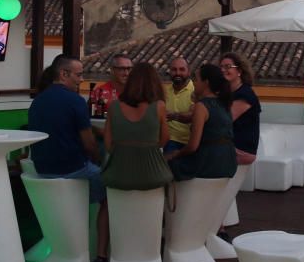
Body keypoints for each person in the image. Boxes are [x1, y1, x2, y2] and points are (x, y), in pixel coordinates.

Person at [28, 56, 108, 262]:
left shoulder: (38, 101)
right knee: (111, 192)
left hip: (42, 170)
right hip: (72, 169)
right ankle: (101, 256)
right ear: (63, 74)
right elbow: (89, 144)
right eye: (78, 74)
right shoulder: (75, 100)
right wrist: (99, 161)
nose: (81, 79)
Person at [101, 62, 173, 190]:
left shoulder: (114, 106)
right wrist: (147, 148)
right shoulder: (159, 106)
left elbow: (108, 144)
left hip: (118, 175)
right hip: (152, 176)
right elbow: (164, 138)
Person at [166, 64, 238, 181]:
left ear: (206, 82)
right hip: (228, 162)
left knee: (166, 165)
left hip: (209, 163)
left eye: (196, 79)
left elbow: (192, 146)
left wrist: (175, 154)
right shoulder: (224, 103)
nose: (193, 82)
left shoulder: (202, 106)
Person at [220, 51, 261, 165]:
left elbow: (224, 120)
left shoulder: (245, 94)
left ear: (239, 71)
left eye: (228, 67)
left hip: (241, 150)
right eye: (221, 67)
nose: (223, 70)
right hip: (229, 145)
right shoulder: (227, 93)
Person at [164, 56, 195, 154]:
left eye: (182, 69)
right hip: (168, 140)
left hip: (189, 142)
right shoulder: (164, 90)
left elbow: (193, 115)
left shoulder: (196, 91)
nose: (177, 73)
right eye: (174, 70)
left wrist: (173, 115)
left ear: (189, 72)